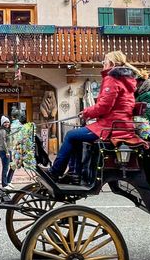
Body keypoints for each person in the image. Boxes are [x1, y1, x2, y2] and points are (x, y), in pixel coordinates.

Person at [48, 51, 139, 180]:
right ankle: (74, 172)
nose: (103, 65)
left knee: (70, 135)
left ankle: (56, 171)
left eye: (104, 62)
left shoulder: (112, 78)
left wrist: (86, 112)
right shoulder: (126, 80)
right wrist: (89, 113)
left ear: (111, 64)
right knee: (76, 136)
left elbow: (104, 106)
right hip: (120, 124)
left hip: (110, 127)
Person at [0, 115, 13, 189]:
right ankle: (4, 184)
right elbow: (3, 142)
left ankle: (8, 181)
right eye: (5, 122)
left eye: (8, 122)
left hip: (9, 151)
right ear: (2, 123)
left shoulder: (8, 130)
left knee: (13, 166)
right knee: (5, 168)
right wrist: (7, 152)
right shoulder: (2, 131)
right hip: (4, 151)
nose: (7, 123)